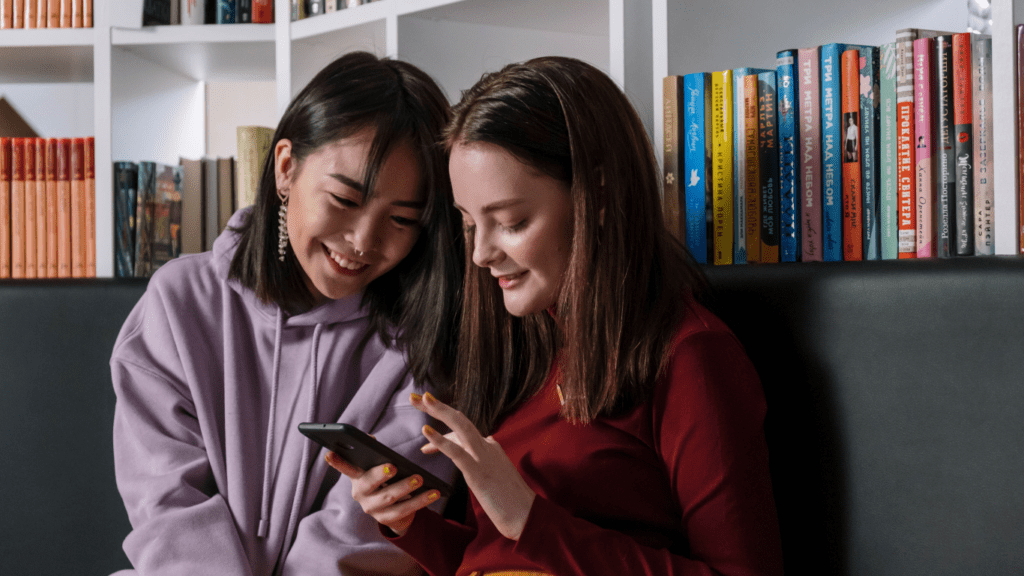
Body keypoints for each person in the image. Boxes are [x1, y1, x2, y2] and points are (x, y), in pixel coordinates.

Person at [327, 56, 785, 576]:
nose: (480, 255)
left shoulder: (690, 358)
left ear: (601, 197)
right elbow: (500, 556)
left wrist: (529, 519)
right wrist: (413, 525)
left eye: (512, 222)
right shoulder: (524, 345)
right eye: (470, 224)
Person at [110, 51, 463, 576]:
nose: (364, 242)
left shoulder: (425, 338)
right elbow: (167, 510)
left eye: (402, 220)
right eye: (344, 199)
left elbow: (367, 540)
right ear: (285, 167)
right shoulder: (178, 305)